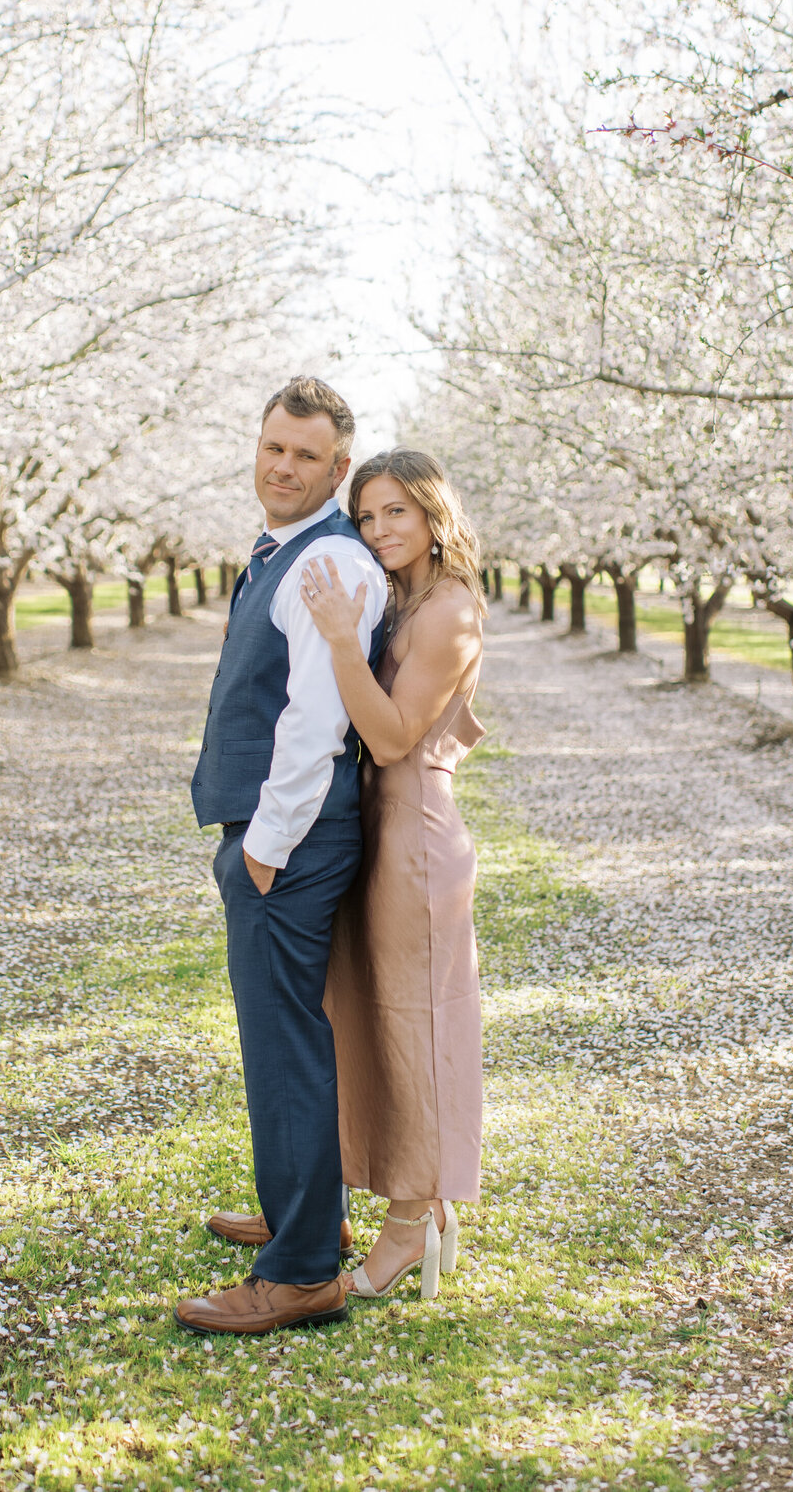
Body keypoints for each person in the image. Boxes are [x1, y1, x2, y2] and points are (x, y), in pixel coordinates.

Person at [176, 377, 387, 1338]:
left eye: (306, 456)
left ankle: (301, 1270)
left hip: (287, 842)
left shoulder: (331, 563)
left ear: (338, 470)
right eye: (273, 447)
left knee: (282, 1044)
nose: (283, 466)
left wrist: (261, 849)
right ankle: (306, 1211)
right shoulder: (284, 551)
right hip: (276, 837)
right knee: (283, 1039)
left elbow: (314, 721)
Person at [299, 448, 486, 1300]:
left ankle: (410, 1224)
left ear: (431, 512)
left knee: (418, 1029)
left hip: (414, 837)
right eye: (366, 516)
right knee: (375, 1022)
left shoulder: (449, 612)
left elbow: (392, 737)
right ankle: (416, 1206)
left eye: (394, 514)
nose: (377, 532)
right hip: (379, 830)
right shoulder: (405, 598)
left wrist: (341, 641)